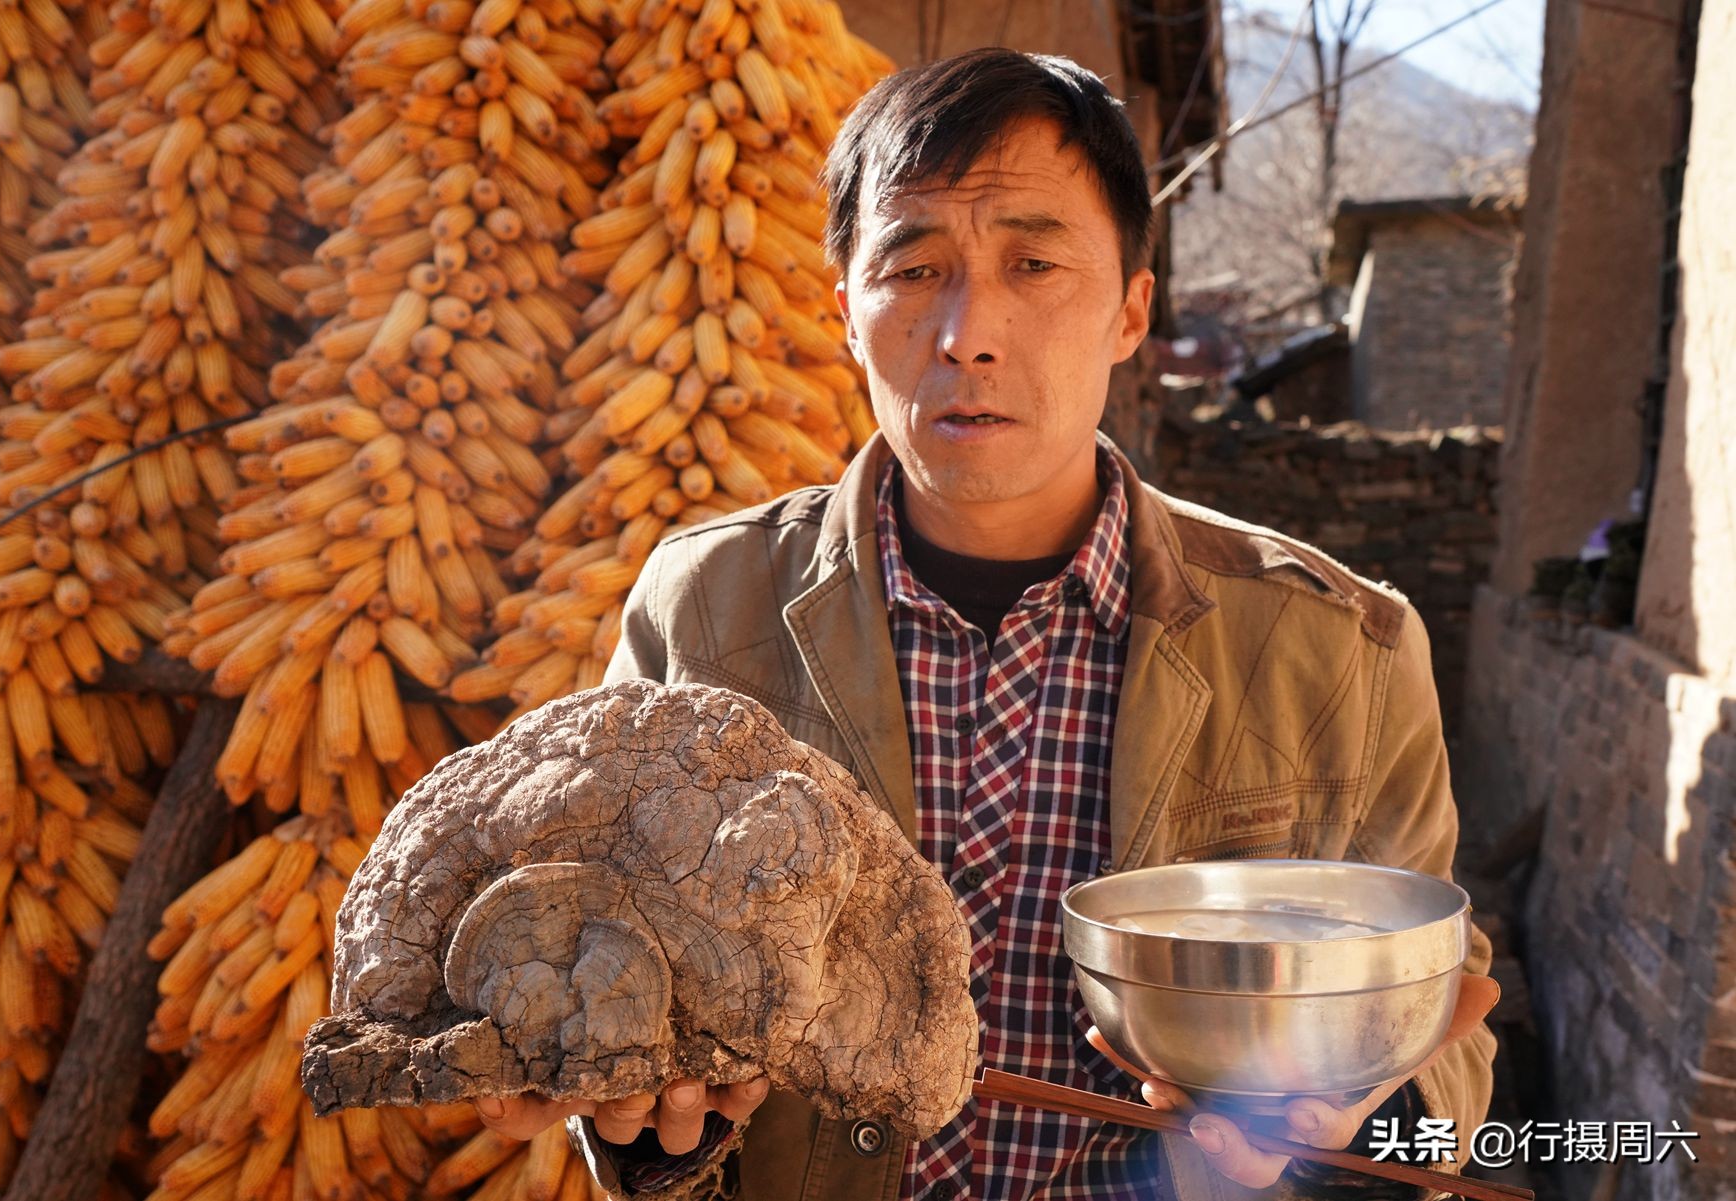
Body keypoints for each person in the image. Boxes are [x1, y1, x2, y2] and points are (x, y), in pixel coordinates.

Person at [474, 47, 1497, 1201]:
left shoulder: (1343, 649)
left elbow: (1441, 1022)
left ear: (1131, 310)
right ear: (844, 314)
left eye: (1034, 262)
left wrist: (1355, 1121)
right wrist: (649, 1129)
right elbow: (619, 970)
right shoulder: (706, 611)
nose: (969, 333)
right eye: (914, 269)